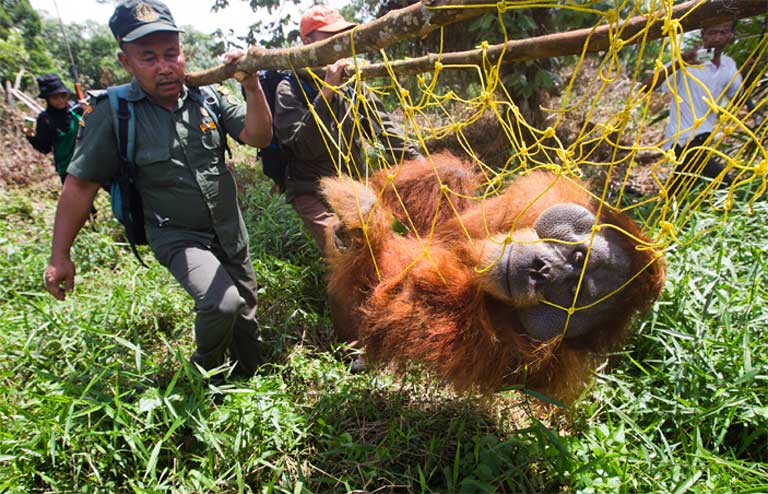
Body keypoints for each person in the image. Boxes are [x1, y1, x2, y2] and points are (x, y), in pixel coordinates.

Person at [42, 0, 273, 380]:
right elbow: (79, 186)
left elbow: (258, 137)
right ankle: (202, 378)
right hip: (176, 234)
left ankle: (246, 382)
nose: (165, 66)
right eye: (148, 58)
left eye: (172, 54)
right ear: (125, 62)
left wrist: (251, 86)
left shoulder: (207, 96)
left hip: (229, 228)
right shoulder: (113, 112)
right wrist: (59, 256)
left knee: (246, 313)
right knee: (222, 303)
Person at [272, 4, 421, 254]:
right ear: (307, 41)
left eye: (341, 37)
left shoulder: (352, 84)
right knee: (346, 250)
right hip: (313, 192)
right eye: (329, 38)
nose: (339, 45)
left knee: (378, 246)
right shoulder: (290, 89)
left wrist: (423, 167)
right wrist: (327, 92)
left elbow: (386, 132)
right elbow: (302, 146)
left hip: (353, 186)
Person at [644, 21, 744, 191]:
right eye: (712, 33)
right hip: (682, 140)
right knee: (724, 183)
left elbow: (737, 100)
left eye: (723, 32)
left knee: (682, 186)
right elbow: (646, 87)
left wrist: (748, 74)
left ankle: (662, 209)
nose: (717, 38)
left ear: (731, 35)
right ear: (702, 35)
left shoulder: (729, 65)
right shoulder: (687, 61)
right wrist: (679, 62)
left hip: (703, 138)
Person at [23, 74, 85, 184]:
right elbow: (44, 148)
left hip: (88, 161)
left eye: (63, 96)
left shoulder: (77, 109)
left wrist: (88, 108)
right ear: (48, 99)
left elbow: (96, 123)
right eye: (55, 98)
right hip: (67, 168)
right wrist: (30, 135)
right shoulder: (45, 119)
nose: (61, 100)